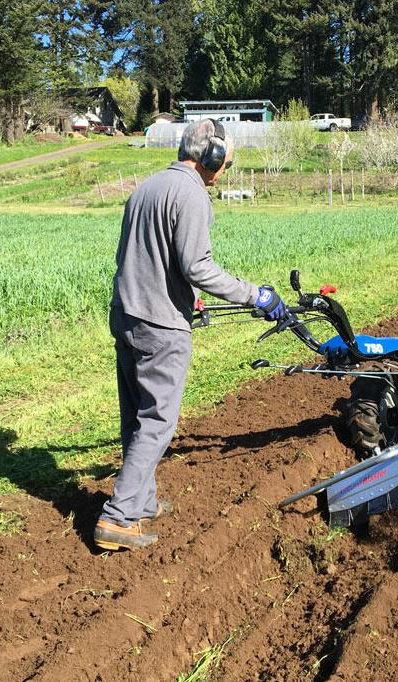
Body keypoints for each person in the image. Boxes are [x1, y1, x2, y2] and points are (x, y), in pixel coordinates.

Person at [94, 119, 286, 551]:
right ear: (212, 157)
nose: (224, 173)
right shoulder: (192, 194)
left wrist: (186, 296)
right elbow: (198, 266)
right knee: (158, 422)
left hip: (126, 317)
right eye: (226, 165)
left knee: (137, 417)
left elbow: (145, 258)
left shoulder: (146, 187)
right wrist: (257, 295)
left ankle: (140, 501)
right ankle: (119, 517)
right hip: (160, 327)